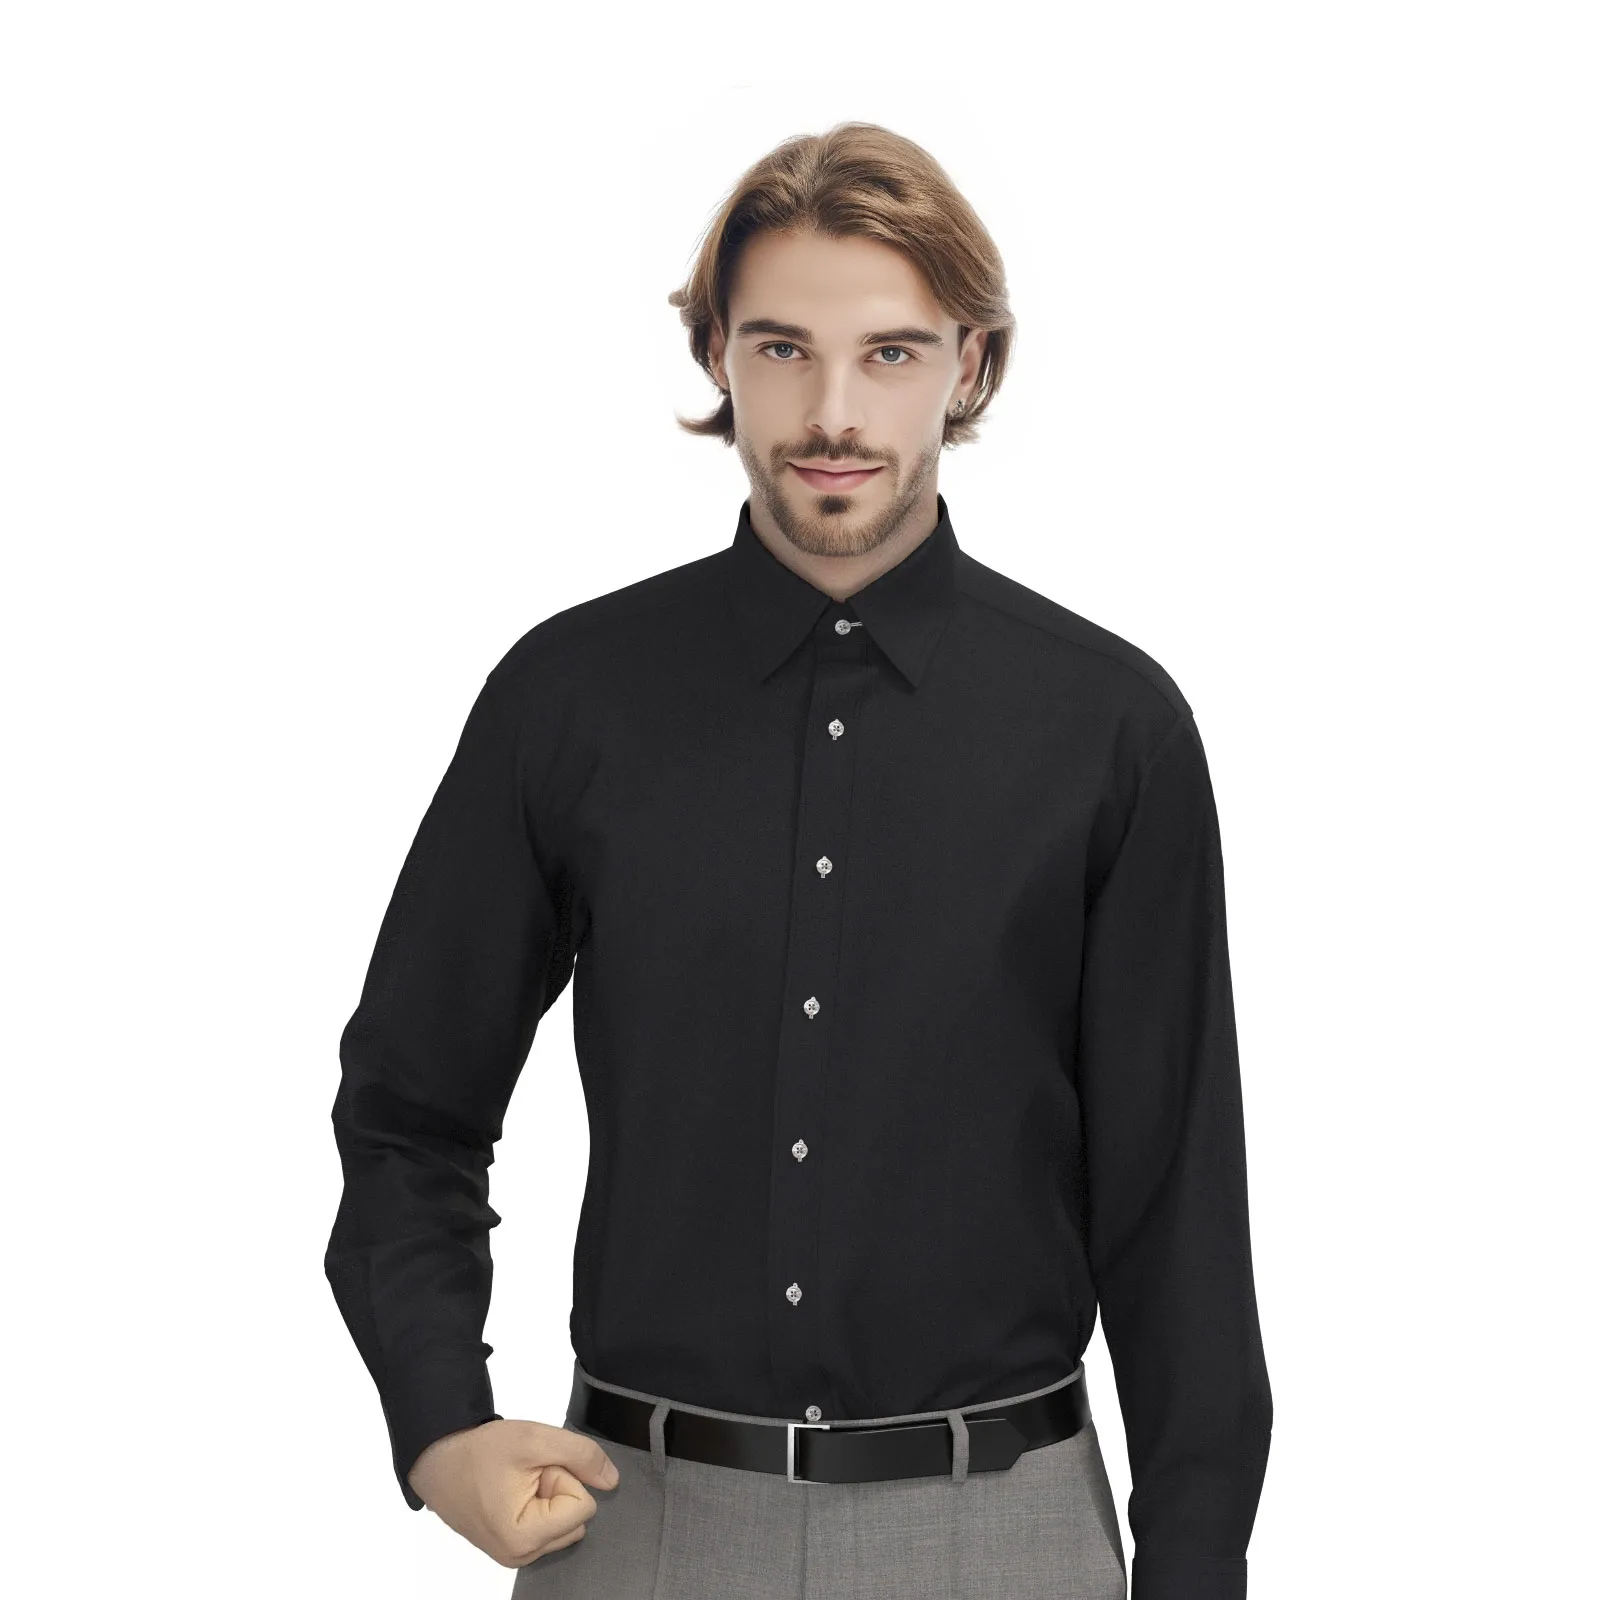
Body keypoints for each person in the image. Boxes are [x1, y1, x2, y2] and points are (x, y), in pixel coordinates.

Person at [325, 120, 1272, 1600]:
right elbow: (408, 1109)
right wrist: (440, 1418)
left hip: (1006, 1534)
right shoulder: (569, 700)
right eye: (783, 349)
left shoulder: (1111, 729)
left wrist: (1197, 1565)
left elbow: (1176, 1207)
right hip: (639, 1525)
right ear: (717, 353)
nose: (834, 412)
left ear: (971, 365)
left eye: (891, 353)